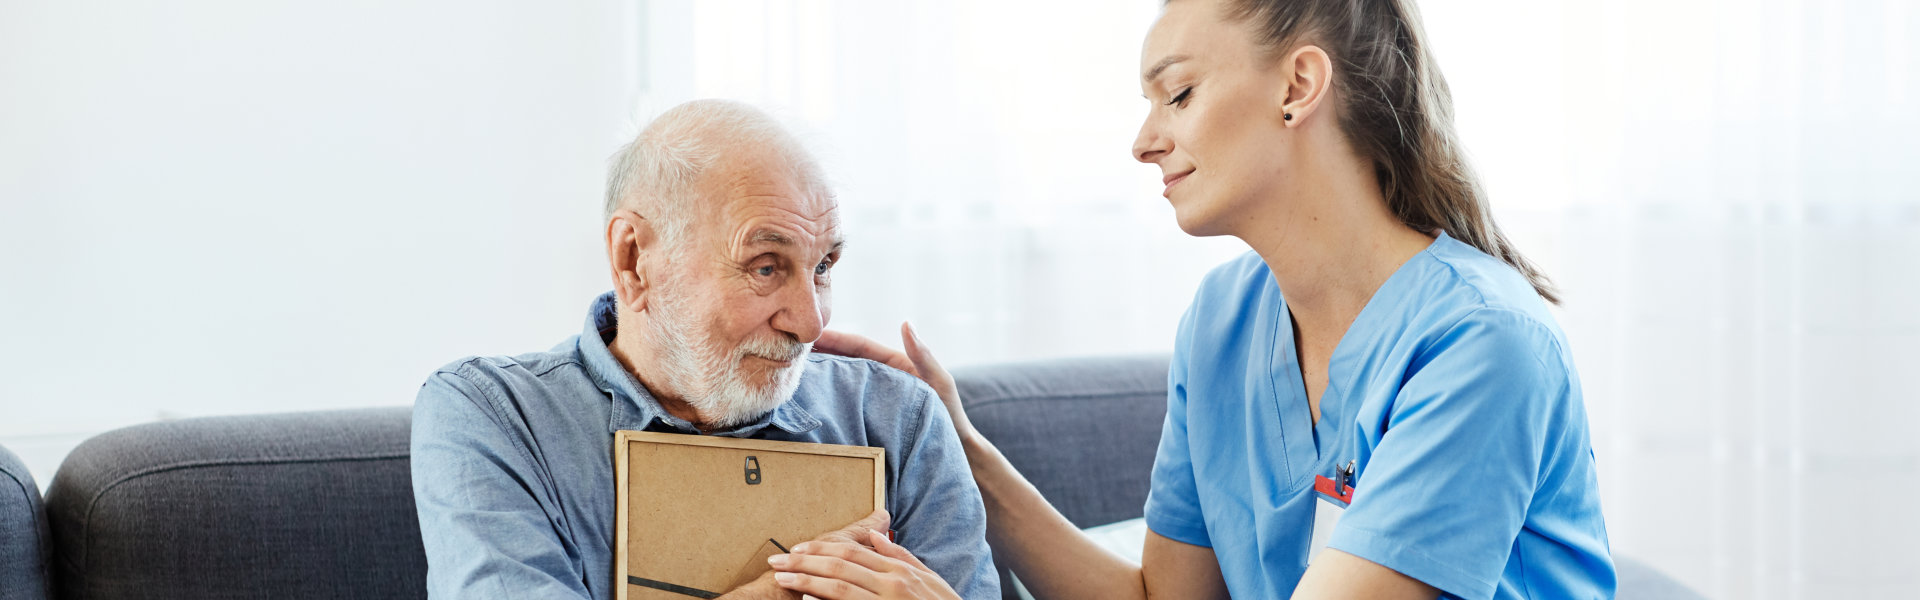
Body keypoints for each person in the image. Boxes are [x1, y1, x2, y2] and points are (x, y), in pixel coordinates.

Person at [766, 0, 1613, 598]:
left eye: (1178, 94)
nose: (1144, 142)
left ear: (1298, 86)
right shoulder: (1223, 322)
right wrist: (962, 453)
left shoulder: (1482, 346)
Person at [409, 99, 999, 600]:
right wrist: (780, 589)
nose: (811, 322)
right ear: (634, 260)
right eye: (765, 267)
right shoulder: (493, 415)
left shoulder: (899, 420)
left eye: (822, 267)